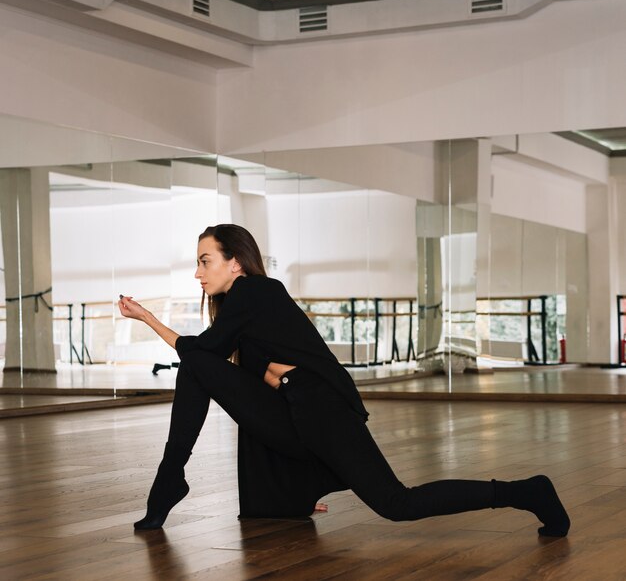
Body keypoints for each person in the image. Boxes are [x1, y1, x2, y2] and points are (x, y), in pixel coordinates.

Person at [118, 224, 570, 537]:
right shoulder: (243, 308)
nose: (198, 273)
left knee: (398, 504)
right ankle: (174, 481)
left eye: (205, 261)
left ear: (235, 262)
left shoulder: (256, 291)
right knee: (199, 365)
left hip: (321, 410)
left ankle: (525, 492)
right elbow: (212, 362)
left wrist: (149, 319)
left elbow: (203, 350)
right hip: (293, 414)